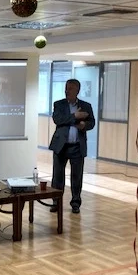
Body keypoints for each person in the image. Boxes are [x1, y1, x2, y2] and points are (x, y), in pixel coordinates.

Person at [49, 79, 95, 214]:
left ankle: (75, 203)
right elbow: (58, 119)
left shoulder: (86, 106)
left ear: (77, 91)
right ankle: (56, 202)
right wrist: (75, 116)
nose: (67, 91)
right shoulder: (59, 104)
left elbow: (92, 122)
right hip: (61, 146)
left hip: (77, 147)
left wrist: (84, 125)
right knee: (57, 176)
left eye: (70, 88)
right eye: (66, 88)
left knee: (76, 176)